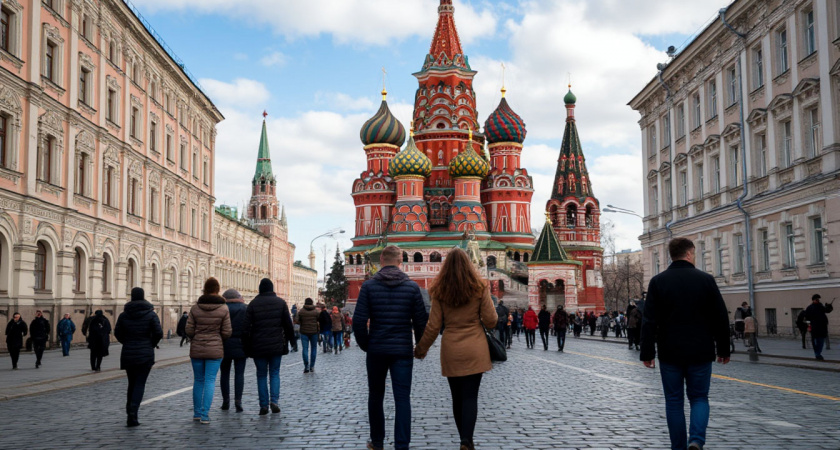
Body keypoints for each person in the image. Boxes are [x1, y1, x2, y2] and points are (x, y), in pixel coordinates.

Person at [640, 238, 730, 450]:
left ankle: (678, 447)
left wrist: (647, 352)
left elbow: (649, 320)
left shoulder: (658, 282)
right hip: (701, 350)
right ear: (689, 254)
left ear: (672, 255)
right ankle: (696, 440)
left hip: (670, 352)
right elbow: (720, 317)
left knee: (673, 402)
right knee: (699, 398)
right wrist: (723, 349)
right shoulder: (705, 280)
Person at [414, 248, 497, 450]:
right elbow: (492, 320)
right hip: (475, 347)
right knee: (470, 396)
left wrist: (421, 349)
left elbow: (433, 326)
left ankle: (464, 439)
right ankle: (466, 440)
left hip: (451, 347)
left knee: (457, 397)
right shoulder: (479, 288)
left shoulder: (439, 291)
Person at [353, 245, 428, 450]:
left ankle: (377, 442)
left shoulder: (369, 287)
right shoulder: (412, 287)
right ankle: (402, 445)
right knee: (402, 398)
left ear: (382, 261)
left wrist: (367, 345)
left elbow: (359, 321)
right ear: (401, 261)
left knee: (375, 396)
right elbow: (421, 321)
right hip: (402, 350)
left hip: (377, 349)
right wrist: (420, 346)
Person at [243, 278, 295, 416]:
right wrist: (292, 341)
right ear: (272, 289)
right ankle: (274, 401)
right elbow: (288, 325)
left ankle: (263, 405)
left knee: (261, 375)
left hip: (258, 345)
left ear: (260, 289)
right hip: (276, 345)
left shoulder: (253, 304)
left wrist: (246, 346)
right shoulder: (280, 303)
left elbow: (245, 327)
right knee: (274, 373)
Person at [115, 287, 163, 427]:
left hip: (128, 352)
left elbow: (117, 332)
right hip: (145, 352)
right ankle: (133, 413)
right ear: (143, 297)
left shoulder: (124, 315)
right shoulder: (151, 314)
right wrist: (151, 344)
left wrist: (127, 342)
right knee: (140, 383)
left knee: (131, 383)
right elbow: (158, 332)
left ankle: (129, 410)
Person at [186, 278, 232, 424]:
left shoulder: (195, 308)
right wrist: (217, 337)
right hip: (215, 349)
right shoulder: (224, 308)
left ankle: (197, 413)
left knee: (198, 380)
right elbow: (227, 332)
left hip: (197, 348)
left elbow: (189, 330)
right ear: (217, 289)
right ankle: (205, 415)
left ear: (204, 289)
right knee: (210, 381)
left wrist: (197, 336)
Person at [220, 289, 247, 413]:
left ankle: (226, 401)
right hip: (241, 344)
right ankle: (238, 401)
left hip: (224, 344)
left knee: (224, 374)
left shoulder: (221, 308)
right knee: (239, 374)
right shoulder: (244, 308)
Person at [295, 298, 320, 373]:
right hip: (314, 332)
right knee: (314, 349)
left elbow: (296, 320)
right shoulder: (316, 311)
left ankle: (306, 366)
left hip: (304, 332)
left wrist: (301, 323)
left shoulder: (301, 311)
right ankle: (312, 366)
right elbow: (319, 320)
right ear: (312, 303)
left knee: (305, 349)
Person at [805, 294, 830, 361]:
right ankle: (817, 354)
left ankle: (818, 354)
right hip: (814, 327)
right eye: (816, 299)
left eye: (818, 299)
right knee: (815, 342)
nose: (818, 300)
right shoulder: (810, 308)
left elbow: (827, 310)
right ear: (813, 300)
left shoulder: (821, 306)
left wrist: (829, 306)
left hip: (822, 327)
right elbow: (807, 318)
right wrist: (808, 325)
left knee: (821, 341)